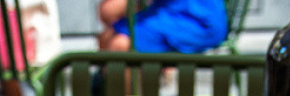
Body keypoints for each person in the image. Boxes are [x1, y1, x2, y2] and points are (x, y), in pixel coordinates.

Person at [97, 0, 229, 54]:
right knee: (106, 37)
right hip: (170, 14)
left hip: (198, 22)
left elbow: (110, 11)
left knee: (119, 44)